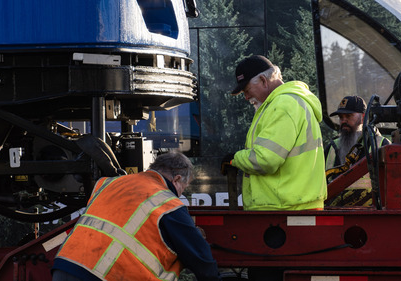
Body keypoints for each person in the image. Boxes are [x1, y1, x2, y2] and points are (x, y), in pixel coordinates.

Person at [52, 152, 221, 281]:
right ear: (177, 179)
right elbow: (200, 258)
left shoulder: (110, 183)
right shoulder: (167, 203)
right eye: (183, 188)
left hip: (64, 266)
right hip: (101, 275)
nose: (180, 194)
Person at [222, 55, 327, 211]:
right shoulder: (289, 102)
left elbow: (266, 159)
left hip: (283, 210)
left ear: (264, 81)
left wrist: (235, 160)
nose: (246, 97)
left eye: (247, 90)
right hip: (292, 206)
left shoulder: (283, 105)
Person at [324, 95, 391, 206]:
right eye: (341, 117)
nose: (343, 121)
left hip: (370, 216)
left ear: (363, 116)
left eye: (348, 116)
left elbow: (392, 184)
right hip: (336, 215)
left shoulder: (381, 145)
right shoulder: (331, 147)